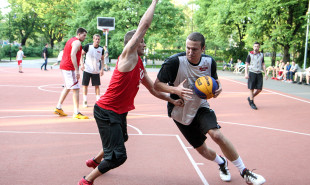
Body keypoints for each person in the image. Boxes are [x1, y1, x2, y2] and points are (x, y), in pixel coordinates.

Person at [77, 1, 181, 184]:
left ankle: (95, 161)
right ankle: (87, 180)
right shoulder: (128, 56)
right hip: (107, 110)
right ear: (133, 44)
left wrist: (172, 100)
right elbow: (144, 25)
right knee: (118, 157)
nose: (144, 43)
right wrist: (155, 2)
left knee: (122, 137)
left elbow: (154, 89)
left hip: (117, 111)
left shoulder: (139, 64)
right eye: (142, 41)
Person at [154, 32, 266, 185]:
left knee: (217, 135)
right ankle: (221, 163)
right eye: (188, 48)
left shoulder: (209, 62)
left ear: (203, 48)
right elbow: (157, 85)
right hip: (179, 111)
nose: (190, 52)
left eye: (194, 49)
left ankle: (245, 172)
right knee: (202, 150)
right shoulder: (174, 62)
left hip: (201, 106)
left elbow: (215, 80)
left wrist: (219, 87)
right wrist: (175, 91)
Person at [54, 28, 89, 119]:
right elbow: (72, 54)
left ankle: (58, 107)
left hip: (65, 66)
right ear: (79, 34)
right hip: (69, 67)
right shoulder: (77, 42)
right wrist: (77, 70)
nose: (85, 37)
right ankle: (76, 112)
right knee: (76, 88)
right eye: (84, 35)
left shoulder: (71, 40)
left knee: (68, 87)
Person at [81, 34, 104, 108]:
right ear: (93, 39)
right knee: (85, 85)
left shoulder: (101, 49)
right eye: (96, 39)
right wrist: (82, 64)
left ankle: (98, 101)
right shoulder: (88, 46)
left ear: (100, 40)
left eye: (98, 39)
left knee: (97, 86)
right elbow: (81, 55)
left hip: (96, 70)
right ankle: (85, 101)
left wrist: (101, 69)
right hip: (87, 69)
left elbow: (102, 59)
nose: (97, 40)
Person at [245, 42, 267, 110]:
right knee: (251, 88)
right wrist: (246, 73)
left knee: (259, 89)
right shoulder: (250, 54)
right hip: (252, 72)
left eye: (257, 46)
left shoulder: (261, 55)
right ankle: (252, 102)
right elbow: (246, 64)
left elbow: (263, 64)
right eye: (255, 46)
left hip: (259, 73)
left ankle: (250, 98)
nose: (256, 48)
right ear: (253, 47)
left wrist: (265, 73)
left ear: (259, 47)